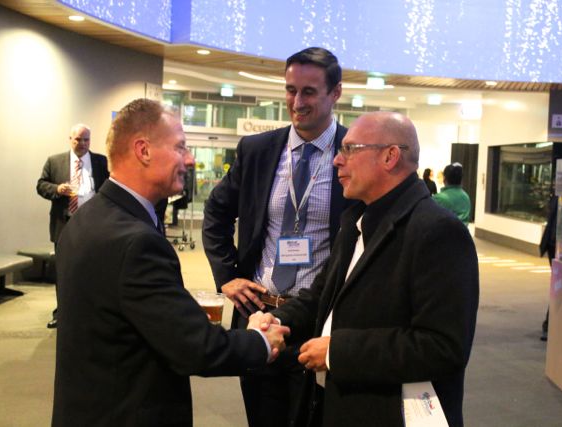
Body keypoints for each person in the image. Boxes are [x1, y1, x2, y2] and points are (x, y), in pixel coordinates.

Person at [52, 98, 290, 427]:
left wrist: (175, 307)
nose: (190, 159)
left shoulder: (88, 218)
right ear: (143, 151)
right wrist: (259, 341)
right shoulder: (137, 242)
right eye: (180, 147)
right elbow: (196, 348)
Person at [258, 111, 479, 427]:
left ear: (390, 156)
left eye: (350, 149)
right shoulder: (356, 220)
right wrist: (277, 319)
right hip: (338, 403)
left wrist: (337, 353)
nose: (337, 160)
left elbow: (442, 348)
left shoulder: (437, 231)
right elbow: (322, 294)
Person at [202, 47, 351, 427]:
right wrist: (227, 277)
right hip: (260, 316)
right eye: (290, 90)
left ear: (335, 92)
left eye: (309, 92)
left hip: (320, 319)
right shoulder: (257, 150)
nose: (297, 103)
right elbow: (216, 212)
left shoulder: (352, 154)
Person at [36, 123, 109, 328]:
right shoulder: (54, 161)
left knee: (92, 268)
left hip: (93, 224)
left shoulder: (100, 161)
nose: (82, 143)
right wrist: (57, 189)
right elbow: (41, 185)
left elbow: (108, 187)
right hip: (64, 223)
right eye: (78, 139)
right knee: (64, 270)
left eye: (86, 139)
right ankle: (62, 313)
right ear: (70, 140)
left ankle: (90, 310)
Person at [539, 194, 558, 341]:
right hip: (557, 245)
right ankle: (550, 324)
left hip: (553, 244)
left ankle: (550, 323)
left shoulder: (559, 195)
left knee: (558, 286)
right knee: (559, 286)